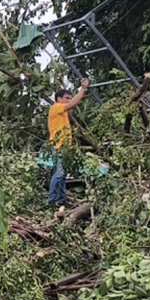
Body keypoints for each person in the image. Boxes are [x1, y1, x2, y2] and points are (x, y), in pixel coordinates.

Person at [47, 80, 88, 208]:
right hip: (58, 146)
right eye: (66, 98)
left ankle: (61, 199)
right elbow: (73, 104)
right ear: (59, 98)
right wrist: (82, 89)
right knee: (59, 173)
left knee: (63, 174)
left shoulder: (63, 112)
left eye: (69, 98)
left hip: (65, 147)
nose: (68, 100)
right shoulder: (56, 107)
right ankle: (53, 199)